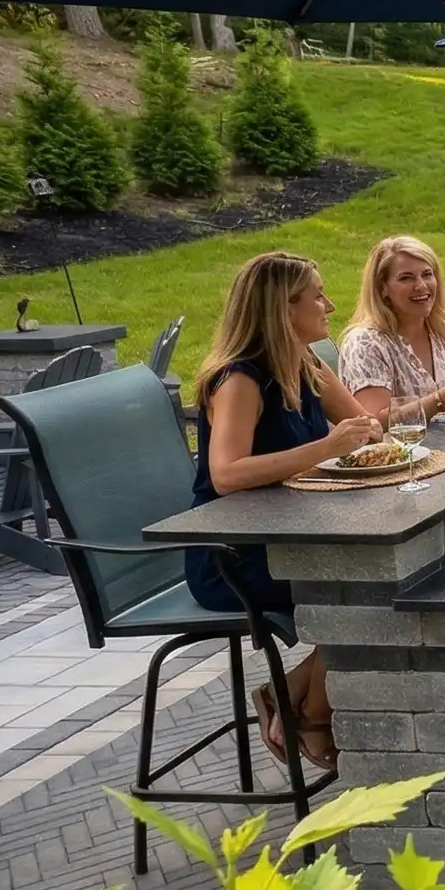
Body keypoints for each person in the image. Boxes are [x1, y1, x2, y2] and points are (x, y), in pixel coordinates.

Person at [191, 252, 383, 773]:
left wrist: (365, 432)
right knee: (362, 589)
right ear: (282, 308)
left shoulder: (306, 363)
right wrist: (324, 448)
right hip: (235, 555)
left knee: (383, 576)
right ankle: (313, 714)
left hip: (293, 536)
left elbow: (365, 424)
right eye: (317, 295)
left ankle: (289, 690)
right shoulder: (239, 379)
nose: (331, 304)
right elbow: (226, 473)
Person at [339, 235, 445, 425]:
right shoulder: (365, 343)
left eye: (427, 274)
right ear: (383, 288)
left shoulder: (443, 329)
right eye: (406, 278)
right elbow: (376, 422)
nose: (421, 286)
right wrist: (442, 398)